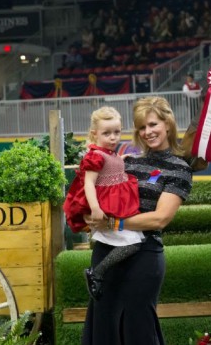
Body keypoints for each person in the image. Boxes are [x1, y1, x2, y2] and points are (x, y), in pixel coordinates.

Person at [81, 97, 193, 345]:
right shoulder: (127, 162)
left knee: (138, 326)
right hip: (106, 252)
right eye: (142, 127)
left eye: (152, 125)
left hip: (144, 256)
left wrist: (114, 224)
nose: (147, 132)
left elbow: (160, 219)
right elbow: (94, 189)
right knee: (103, 322)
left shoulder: (180, 168)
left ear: (167, 124)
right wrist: (89, 213)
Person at [64, 107, 142, 301]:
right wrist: (95, 208)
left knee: (134, 241)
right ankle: (96, 273)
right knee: (132, 244)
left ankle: (99, 273)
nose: (113, 137)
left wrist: (121, 160)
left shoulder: (110, 154)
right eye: (106, 133)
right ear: (94, 134)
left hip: (116, 206)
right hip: (106, 209)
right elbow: (89, 182)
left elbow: (111, 165)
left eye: (116, 132)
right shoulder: (96, 155)